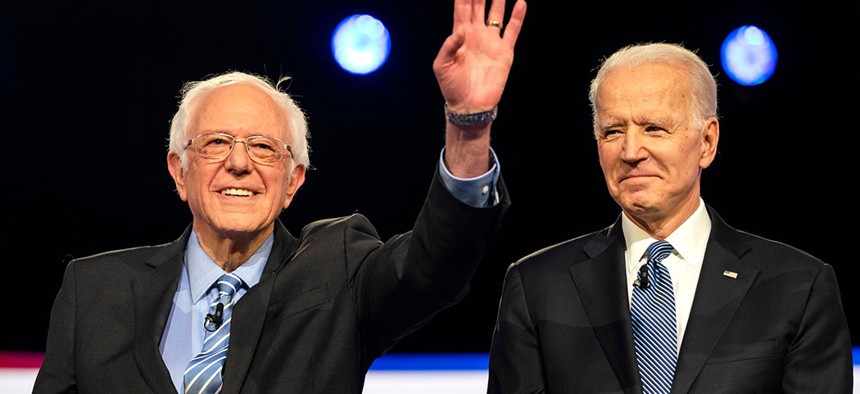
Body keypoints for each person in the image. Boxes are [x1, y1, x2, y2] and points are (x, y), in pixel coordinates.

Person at [33, 0, 527, 392]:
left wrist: (469, 127)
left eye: (264, 147)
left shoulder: (340, 272)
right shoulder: (93, 291)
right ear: (178, 172)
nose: (240, 163)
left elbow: (433, 266)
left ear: (294, 181)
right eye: (216, 143)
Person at [486, 42, 853, 393]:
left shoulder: (797, 287)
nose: (630, 151)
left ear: (707, 142)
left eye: (654, 128)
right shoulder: (538, 287)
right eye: (612, 131)